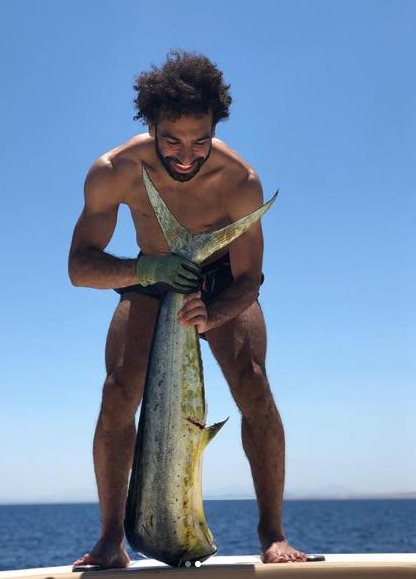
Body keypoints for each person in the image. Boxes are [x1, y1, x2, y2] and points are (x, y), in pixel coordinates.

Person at [68, 50, 306, 566]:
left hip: (218, 281)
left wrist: (213, 314)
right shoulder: (114, 171)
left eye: (200, 141)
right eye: (172, 139)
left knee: (254, 385)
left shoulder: (239, 180)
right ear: (150, 124)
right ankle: (112, 540)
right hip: (150, 276)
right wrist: (147, 271)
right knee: (116, 393)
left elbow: (249, 278)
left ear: (215, 128)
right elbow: (80, 268)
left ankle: (273, 534)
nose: (185, 155)